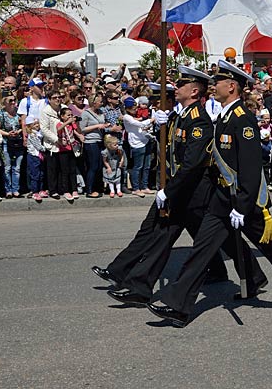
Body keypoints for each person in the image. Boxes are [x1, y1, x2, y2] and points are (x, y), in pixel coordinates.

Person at [148, 60, 272, 326]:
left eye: (219, 82)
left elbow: (250, 168)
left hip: (243, 200)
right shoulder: (224, 117)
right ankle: (178, 306)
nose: (213, 86)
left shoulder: (242, 119)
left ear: (232, 86)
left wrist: (243, 205)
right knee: (201, 250)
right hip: (221, 198)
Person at [101, 66, 253, 306]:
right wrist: (165, 120)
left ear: (193, 91)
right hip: (180, 189)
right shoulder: (180, 117)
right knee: (166, 236)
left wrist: (168, 190)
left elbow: (192, 164)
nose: (175, 88)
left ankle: (250, 276)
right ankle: (135, 283)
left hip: (192, 192)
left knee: (206, 242)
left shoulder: (199, 121)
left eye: (180, 85)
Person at [122, 96, 154, 197]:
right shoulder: (126, 117)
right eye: (133, 108)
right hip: (136, 143)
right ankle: (136, 188)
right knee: (138, 166)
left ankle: (144, 186)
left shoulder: (136, 115)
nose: (136, 110)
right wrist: (151, 120)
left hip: (145, 139)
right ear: (127, 108)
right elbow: (137, 124)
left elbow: (142, 125)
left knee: (146, 166)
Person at [0, 92, 24, 198]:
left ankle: (15, 189)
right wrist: (8, 134)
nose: (13, 103)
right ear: (5, 102)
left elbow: (24, 125)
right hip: (6, 142)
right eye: (10, 101)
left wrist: (19, 131)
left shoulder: (19, 112)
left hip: (18, 141)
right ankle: (8, 189)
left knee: (17, 167)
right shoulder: (0, 114)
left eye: (14, 100)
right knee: (7, 167)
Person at [80, 93, 107, 198]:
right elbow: (83, 128)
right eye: (99, 102)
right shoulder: (85, 114)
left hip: (99, 141)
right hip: (90, 142)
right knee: (93, 166)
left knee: (99, 166)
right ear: (93, 103)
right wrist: (97, 126)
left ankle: (97, 187)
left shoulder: (100, 112)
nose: (101, 103)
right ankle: (89, 190)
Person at [25, 116, 45, 202]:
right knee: (35, 174)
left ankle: (40, 189)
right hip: (33, 156)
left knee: (41, 173)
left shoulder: (39, 133)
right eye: (34, 124)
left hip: (39, 156)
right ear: (29, 126)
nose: (37, 125)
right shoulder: (32, 134)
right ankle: (34, 191)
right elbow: (37, 145)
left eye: (37, 123)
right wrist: (45, 148)